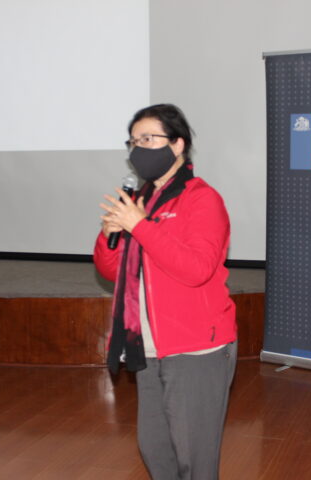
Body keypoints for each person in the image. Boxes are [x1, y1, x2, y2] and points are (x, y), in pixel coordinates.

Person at [93, 104, 237, 479]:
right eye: (133, 141)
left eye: (148, 139)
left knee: (194, 458)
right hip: (149, 346)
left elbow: (196, 269)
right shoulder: (141, 201)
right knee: (155, 448)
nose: (138, 148)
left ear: (177, 144)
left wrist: (140, 226)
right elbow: (111, 271)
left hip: (195, 349)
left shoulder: (202, 199)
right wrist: (110, 235)